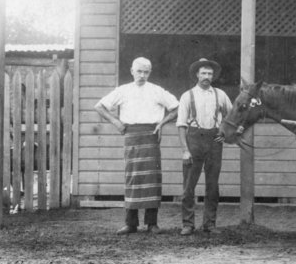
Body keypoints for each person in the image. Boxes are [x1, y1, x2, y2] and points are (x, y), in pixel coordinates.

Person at [95, 57, 179, 235]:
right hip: (131, 135)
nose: (142, 75)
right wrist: (116, 122)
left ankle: (152, 223)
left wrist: (161, 123)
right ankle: (130, 223)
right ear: (132, 71)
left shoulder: (157, 90)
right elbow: (100, 106)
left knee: (152, 179)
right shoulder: (123, 90)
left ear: (150, 72)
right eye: (139, 71)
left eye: (146, 72)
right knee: (132, 177)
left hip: (151, 135)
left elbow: (177, 108)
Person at [177, 57, 233, 236]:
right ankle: (188, 224)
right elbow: (181, 125)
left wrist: (224, 134)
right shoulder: (187, 95)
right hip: (194, 139)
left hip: (214, 141)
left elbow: (231, 117)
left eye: (209, 73)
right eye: (203, 73)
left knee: (212, 186)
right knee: (188, 186)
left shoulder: (221, 95)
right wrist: (185, 150)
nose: (207, 76)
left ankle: (209, 224)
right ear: (197, 75)